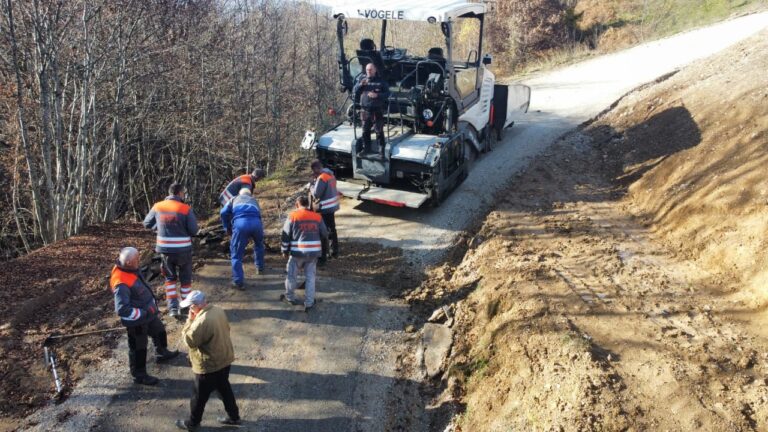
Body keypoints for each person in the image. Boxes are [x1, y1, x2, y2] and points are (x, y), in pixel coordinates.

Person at [110, 247, 179, 385]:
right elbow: (122, 310)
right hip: (137, 323)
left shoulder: (128, 268)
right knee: (138, 348)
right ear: (128, 262)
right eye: (137, 259)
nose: (139, 261)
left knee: (159, 330)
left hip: (149, 314)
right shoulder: (121, 283)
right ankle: (139, 375)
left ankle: (162, 352)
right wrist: (142, 313)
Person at [175, 290, 240, 431]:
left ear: (196, 306)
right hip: (224, 359)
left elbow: (188, 340)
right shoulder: (217, 310)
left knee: (198, 397)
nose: (190, 310)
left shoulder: (201, 321)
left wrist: (190, 320)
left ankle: (193, 423)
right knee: (224, 388)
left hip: (209, 366)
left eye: (191, 307)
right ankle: (234, 416)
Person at [143, 183, 198, 319]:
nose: (184, 195)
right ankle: (185, 308)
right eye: (183, 193)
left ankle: (173, 308)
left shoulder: (158, 206)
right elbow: (194, 230)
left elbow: (146, 223)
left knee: (170, 279)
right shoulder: (185, 208)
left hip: (165, 250)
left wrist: (159, 227)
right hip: (183, 250)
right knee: (185, 280)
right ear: (179, 193)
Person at [280, 196, 328, 312]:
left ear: (297, 204)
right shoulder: (317, 217)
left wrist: (284, 250)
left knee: (291, 275)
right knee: (310, 277)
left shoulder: (292, 216)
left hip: (297, 253)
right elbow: (325, 234)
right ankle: (309, 303)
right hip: (313, 254)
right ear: (308, 204)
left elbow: (285, 235)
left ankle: (290, 298)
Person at [220, 187, 265, 289]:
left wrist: (227, 227)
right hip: (257, 224)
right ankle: (260, 267)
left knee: (236, 254)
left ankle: (238, 281)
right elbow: (259, 215)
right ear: (249, 195)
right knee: (259, 245)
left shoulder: (234, 199)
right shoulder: (254, 200)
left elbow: (223, 212)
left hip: (241, 224)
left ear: (240, 194)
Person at [353, 63, 390, 158]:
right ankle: (366, 149)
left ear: (375, 70)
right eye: (367, 70)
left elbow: (387, 94)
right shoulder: (362, 79)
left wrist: (377, 95)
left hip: (377, 111)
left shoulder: (381, 81)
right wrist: (361, 85)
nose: (368, 71)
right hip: (364, 111)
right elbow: (355, 91)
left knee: (379, 131)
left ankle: (381, 151)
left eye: (370, 69)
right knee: (365, 131)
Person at [309, 159, 339, 262]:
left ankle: (324, 255)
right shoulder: (330, 174)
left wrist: (312, 185)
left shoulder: (321, 178)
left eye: (314, 170)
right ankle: (335, 251)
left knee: (324, 231)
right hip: (333, 205)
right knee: (332, 229)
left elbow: (316, 194)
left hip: (325, 208)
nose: (314, 172)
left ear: (317, 168)